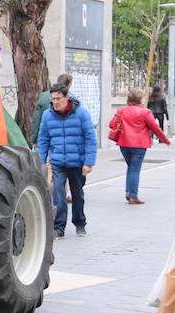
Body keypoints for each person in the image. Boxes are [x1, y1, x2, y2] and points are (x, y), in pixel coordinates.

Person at [37, 83, 96, 239]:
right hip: (57, 162)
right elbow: (43, 140)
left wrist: (88, 162)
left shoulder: (81, 113)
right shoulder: (47, 115)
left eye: (59, 99)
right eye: (53, 99)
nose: (55, 102)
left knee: (77, 194)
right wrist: (40, 162)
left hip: (77, 162)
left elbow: (90, 138)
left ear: (67, 98)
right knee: (58, 194)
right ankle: (59, 227)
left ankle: (80, 223)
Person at [110, 87, 171, 205]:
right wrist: (165, 140)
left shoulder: (121, 110)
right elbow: (156, 128)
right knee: (134, 169)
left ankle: (128, 191)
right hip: (139, 145)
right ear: (141, 99)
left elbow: (112, 124)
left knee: (131, 167)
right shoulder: (145, 112)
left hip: (124, 144)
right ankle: (133, 196)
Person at [30, 73, 73, 147]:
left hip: (45, 139)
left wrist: (34, 139)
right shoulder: (72, 99)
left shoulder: (43, 96)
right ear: (69, 85)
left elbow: (36, 120)